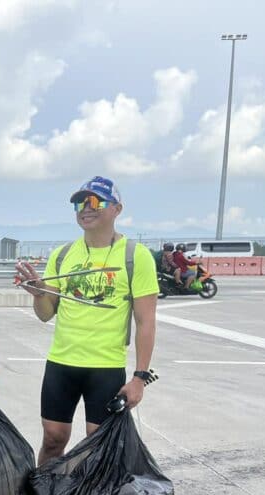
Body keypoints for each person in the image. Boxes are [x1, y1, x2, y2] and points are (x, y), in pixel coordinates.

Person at [14, 176, 158, 466]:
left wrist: (139, 378)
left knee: (98, 445)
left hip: (105, 367)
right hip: (62, 363)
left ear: (117, 209)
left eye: (94, 201)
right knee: (53, 439)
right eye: (80, 202)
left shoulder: (135, 256)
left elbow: (146, 321)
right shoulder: (63, 254)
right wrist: (37, 292)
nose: (85, 208)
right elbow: (45, 313)